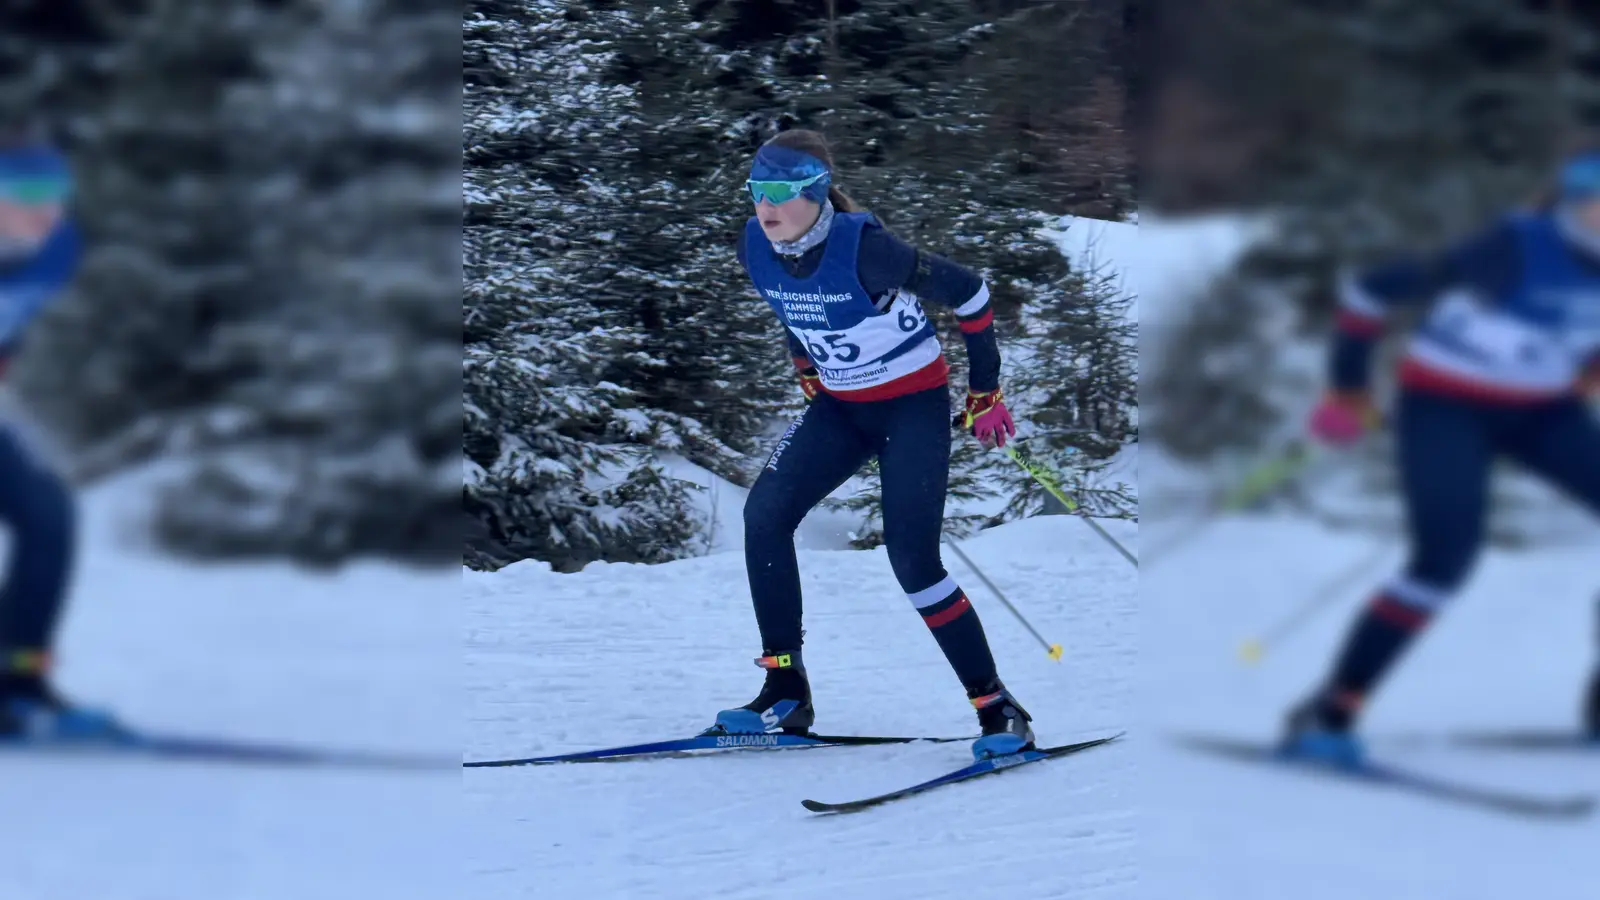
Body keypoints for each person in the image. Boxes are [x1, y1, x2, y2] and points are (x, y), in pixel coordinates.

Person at [711, 129, 1031, 761]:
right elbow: (789, 307)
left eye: (779, 191)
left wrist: (986, 391)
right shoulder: (756, 244)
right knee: (765, 516)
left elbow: (970, 291)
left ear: (817, 192)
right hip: (841, 407)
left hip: (910, 409)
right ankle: (784, 689)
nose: (764, 206)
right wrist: (806, 366)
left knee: (913, 562)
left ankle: (997, 707)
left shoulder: (867, 249)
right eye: (756, 190)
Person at [1283, 145, 1600, 764]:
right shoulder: (1512, 247)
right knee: (1443, 562)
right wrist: (1349, 387)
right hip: (1445, 407)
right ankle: (1329, 713)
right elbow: (1372, 293)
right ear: (1575, 204)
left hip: (1542, 411)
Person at [0, 135, 114, 741]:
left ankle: (18, 681)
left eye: (56, 194)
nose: (46, 210)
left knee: (49, 518)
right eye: (25, 195)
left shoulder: (58, 249)